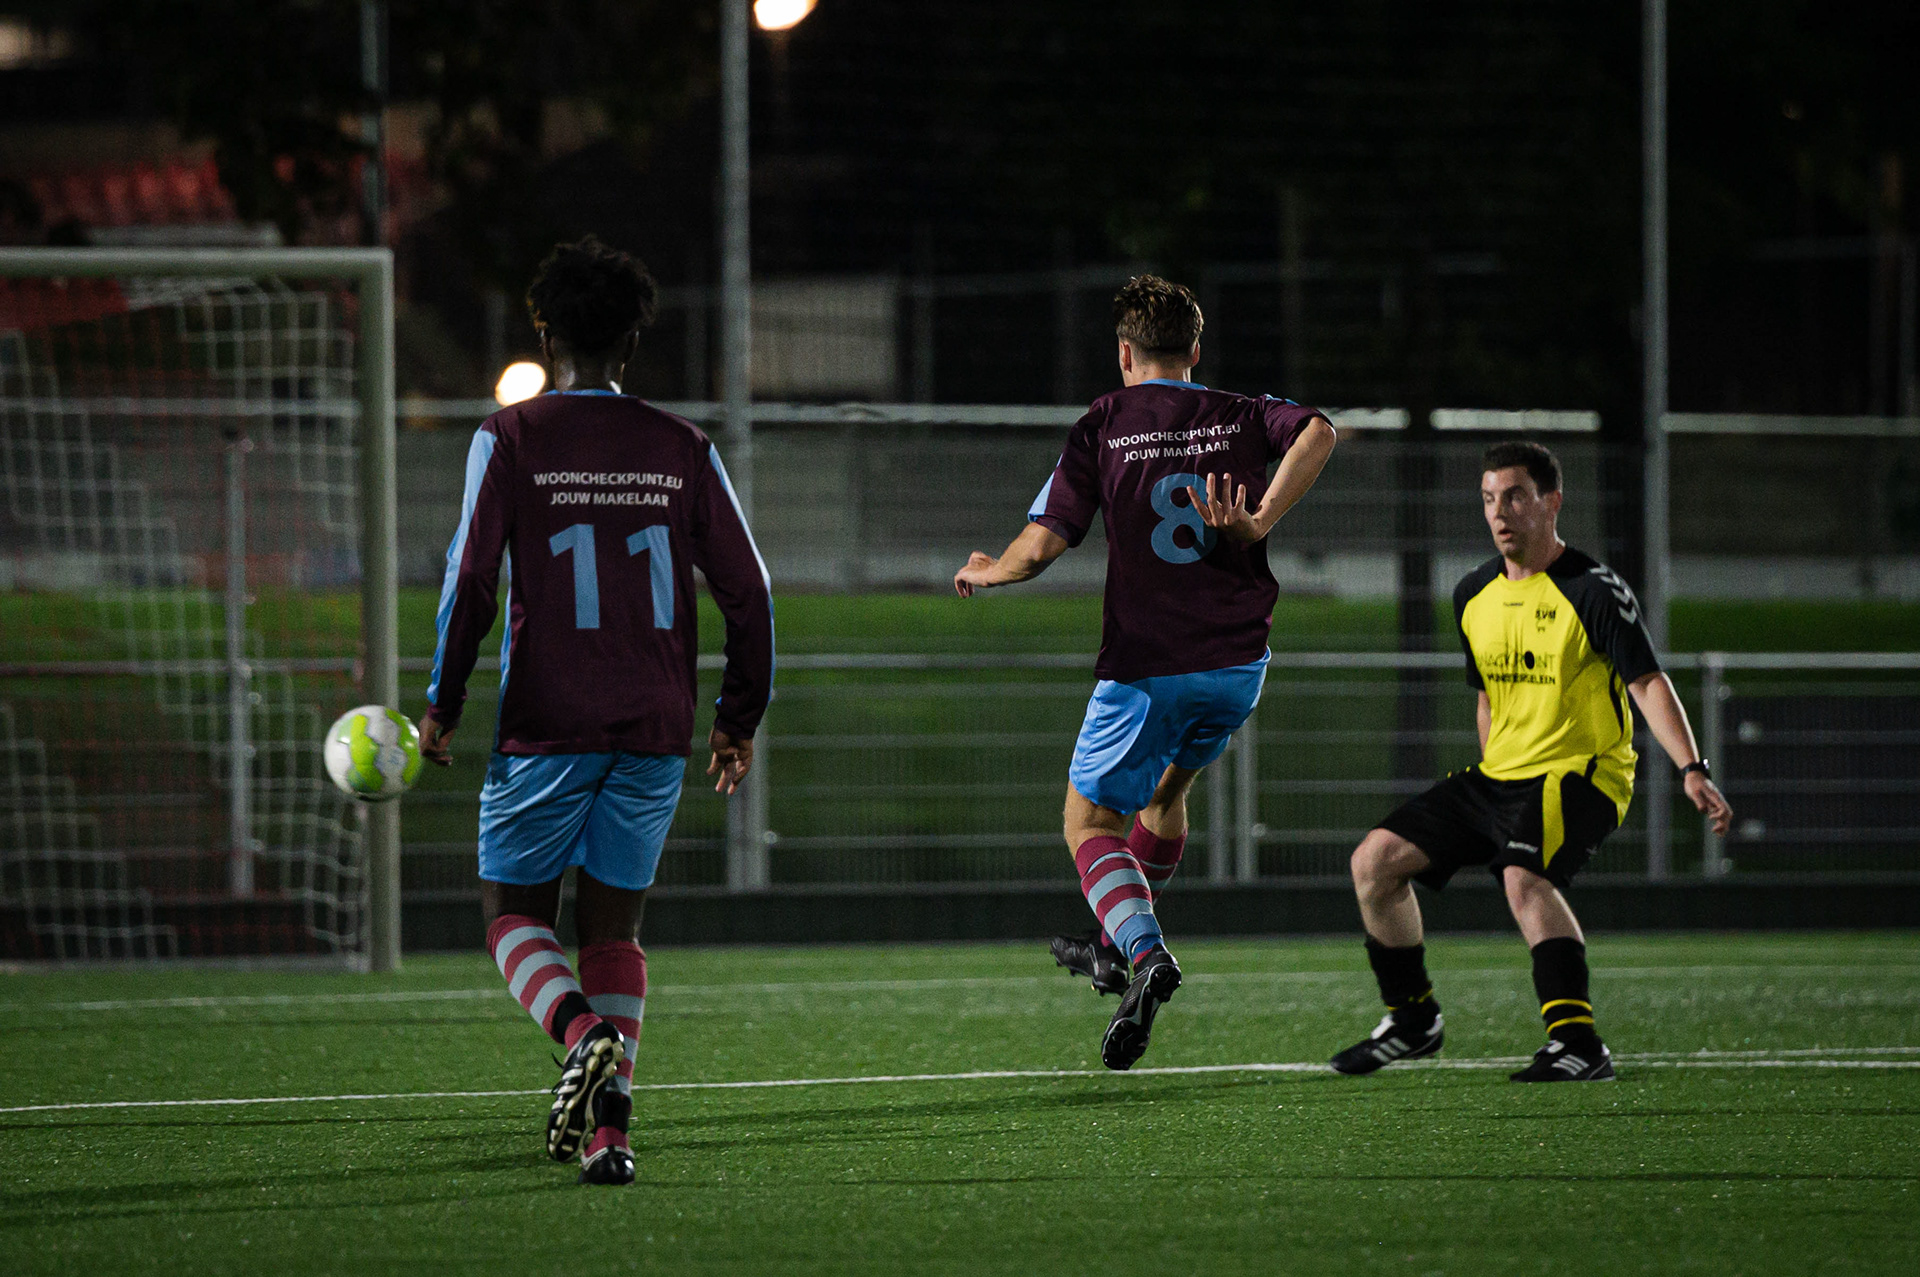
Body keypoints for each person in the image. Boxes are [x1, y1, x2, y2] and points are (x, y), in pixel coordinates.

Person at [419, 236, 773, 1183]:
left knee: (512, 917)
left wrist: (443, 700)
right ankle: (611, 1136)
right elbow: (749, 590)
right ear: (634, 340)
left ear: (546, 336)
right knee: (614, 932)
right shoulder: (682, 446)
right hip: (654, 723)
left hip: (548, 719)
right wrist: (737, 716)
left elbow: (470, 579)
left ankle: (581, 1035)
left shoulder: (509, 437)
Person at [954, 274, 1336, 1070]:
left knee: (1088, 823)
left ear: (1124, 354)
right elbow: (1319, 431)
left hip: (1148, 665)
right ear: (1195, 349)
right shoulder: (1239, 411)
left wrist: (990, 571)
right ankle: (1110, 945)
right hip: (1239, 662)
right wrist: (1260, 519)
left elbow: (1043, 543)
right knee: (1165, 795)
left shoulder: (1104, 422)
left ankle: (1143, 951)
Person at [1330, 440, 1732, 1082]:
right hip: (1501, 776)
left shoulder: (1592, 589)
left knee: (1524, 877)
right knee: (1373, 862)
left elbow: (1647, 682)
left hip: (1582, 774)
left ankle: (1579, 1044)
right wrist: (1490, 783)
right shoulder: (1473, 594)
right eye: (1490, 498)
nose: (1500, 512)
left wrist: (1691, 768)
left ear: (1552, 502)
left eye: (1515, 496)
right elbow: (1488, 698)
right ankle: (1412, 1020)